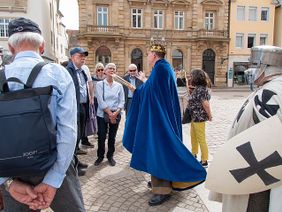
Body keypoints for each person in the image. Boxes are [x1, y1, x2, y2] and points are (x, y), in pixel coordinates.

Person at [0, 17, 85, 211]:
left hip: (12, 169)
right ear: (42, 47)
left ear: (11, 49)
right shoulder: (58, 74)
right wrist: (54, 179)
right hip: (54, 163)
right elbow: (68, 132)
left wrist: (6, 181)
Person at [122, 43, 207, 206]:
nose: (147, 57)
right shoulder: (163, 68)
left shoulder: (160, 69)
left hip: (160, 119)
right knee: (158, 149)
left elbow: (152, 92)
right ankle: (159, 182)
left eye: (148, 54)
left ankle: (162, 190)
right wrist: (142, 86)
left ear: (154, 55)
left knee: (159, 150)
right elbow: (154, 89)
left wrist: (137, 90)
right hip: (161, 116)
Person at [209, 45, 282, 212]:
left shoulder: (273, 92)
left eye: (255, 65)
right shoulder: (267, 88)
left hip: (261, 179)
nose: (251, 70)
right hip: (255, 171)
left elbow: (273, 140)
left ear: (266, 67)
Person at [66, 47, 91, 176]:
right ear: (72, 57)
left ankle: (76, 161)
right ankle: (72, 166)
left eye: (84, 56)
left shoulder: (82, 71)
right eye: (80, 56)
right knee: (73, 137)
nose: (83, 58)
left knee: (79, 135)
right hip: (73, 108)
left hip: (82, 106)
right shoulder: (68, 71)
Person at [94, 63, 125, 167]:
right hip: (102, 114)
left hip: (116, 114)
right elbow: (100, 101)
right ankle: (100, 156)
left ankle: (110, 156)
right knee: (101, 136)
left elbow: (122, 101)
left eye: (114, 69)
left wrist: (115, 113)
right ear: (105, 71)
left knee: (112, 137)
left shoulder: (119, 86)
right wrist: (109, 113)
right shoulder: (99, 85)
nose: (112, 70)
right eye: (109, 68)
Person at [187, 69, 212, 167]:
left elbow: (205, 104)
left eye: (192, 76)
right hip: (194, 117)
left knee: (201, 138)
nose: (190, 77)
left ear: (196, 77)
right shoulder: (198, 88)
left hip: (199, 117)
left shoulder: (201, 89)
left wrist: (210, 115)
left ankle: (204, 160)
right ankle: (194, 154)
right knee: (193, 136)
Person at [80, 64, 95, 148]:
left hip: (86, 99)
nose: (83, 59)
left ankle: (84, 140)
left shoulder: (85, 67)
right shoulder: (70, 68)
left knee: (85, 120)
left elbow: (90, 83)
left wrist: (92, 97)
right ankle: (76, 146)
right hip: (77, 101)